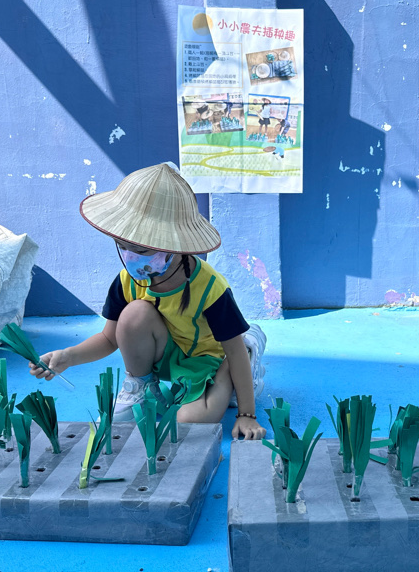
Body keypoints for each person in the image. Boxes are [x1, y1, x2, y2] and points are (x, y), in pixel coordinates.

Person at [30, 162, 267, 440]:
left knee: (189, 423)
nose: (130, 257)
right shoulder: (127, 281)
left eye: (141, 250)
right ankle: (140, 387)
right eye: (123, 246)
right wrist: (68, 356)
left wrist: (247, 415)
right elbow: (109, 338)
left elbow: (233, 350)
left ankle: (238, 362)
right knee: (134, 314)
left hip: (207, 359)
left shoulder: (210, 288)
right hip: (167, 354)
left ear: (175, 244)